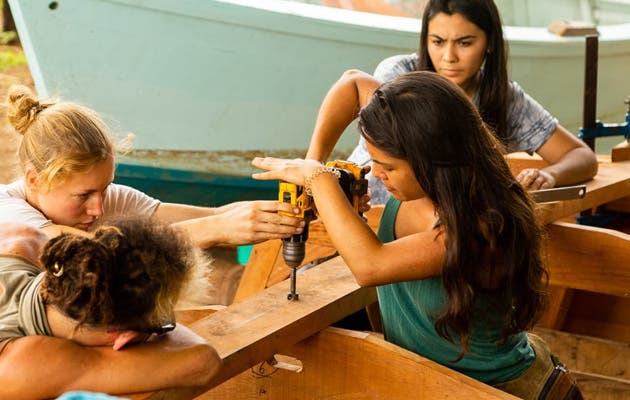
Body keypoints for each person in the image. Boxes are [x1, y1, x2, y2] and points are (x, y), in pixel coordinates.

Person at [252, 72, 582, 399]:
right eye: (374, 161)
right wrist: (317, 162)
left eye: (388, 167)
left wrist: (321, 181)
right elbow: (353, 84)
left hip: (497, 390)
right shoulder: (413, 132)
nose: (377, 174)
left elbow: (370, 266)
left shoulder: (478, 226)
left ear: (434, 158)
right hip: (432, 382)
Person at [306, 0, 598, 204]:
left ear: (490, 43)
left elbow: (582, 157)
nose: (449, 57)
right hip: (365, 208)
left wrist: (549, 175)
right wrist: (311, 167)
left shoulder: (503, 98)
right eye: (438, 41)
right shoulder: (398, 75)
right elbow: (351, 83)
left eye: (465, 42)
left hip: (435, 234)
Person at [0, 84, 304, 245]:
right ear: (35, 180)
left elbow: (209, 215)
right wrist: (215, 230)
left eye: (103, 189)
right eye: (83, 196)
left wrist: (283, 214)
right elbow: (92, 251)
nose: (99, 209)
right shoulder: (9, 213)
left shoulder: (108, 201)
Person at [0, 218, 221, 399]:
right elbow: (203, 362)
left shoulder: (22, 239)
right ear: (119, 335)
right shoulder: (24, 363)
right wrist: (150, 328)